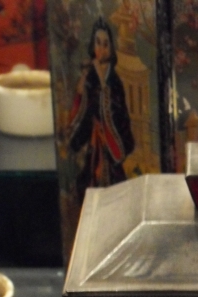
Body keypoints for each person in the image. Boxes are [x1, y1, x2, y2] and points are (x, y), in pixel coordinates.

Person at [68, 17, 134, 203]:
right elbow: (83, 113)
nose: (101, 49)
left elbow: (119, 113)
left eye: (106, 44)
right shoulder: (89, 77)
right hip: (94, 141)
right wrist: (80, 91)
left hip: (110, 143)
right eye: (98, 43)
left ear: (111, 48)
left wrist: (103, 84)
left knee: (115, 190)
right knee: (88, 186)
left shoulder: (114, 81)